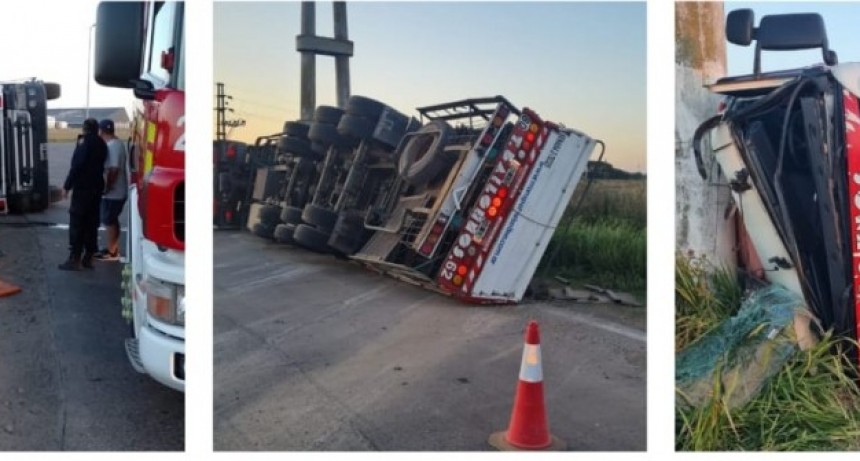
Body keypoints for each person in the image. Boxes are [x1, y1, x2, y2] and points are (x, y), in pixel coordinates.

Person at [59, 118, 107, 271]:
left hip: (83, 188)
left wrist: (67, 185)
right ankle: (89, 257)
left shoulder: (84, 142)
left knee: (77, 222)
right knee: (92, 223)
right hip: (96, 187)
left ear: (85, 129)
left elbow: (77, 165)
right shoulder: (102, 143)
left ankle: (75, 258)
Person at [94, 118, 128, 261]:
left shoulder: (112, 146)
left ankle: (112, 251)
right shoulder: (118, 143)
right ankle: (113, 248)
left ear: (101, 131)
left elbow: (113, 169)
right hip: (118, 191)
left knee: (108, 220)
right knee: (112, 220)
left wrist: (107, 188)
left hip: (114, 193)